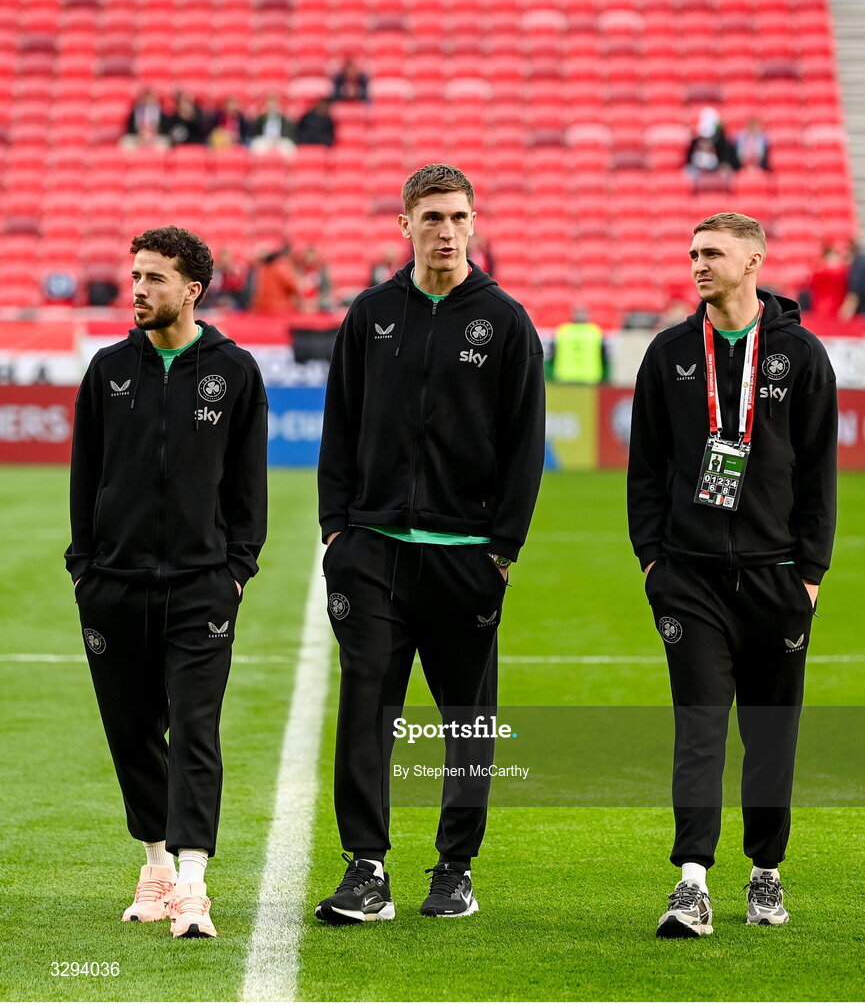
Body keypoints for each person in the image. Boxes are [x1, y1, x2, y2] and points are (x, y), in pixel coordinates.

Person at [315, 163, 545, 924]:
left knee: (467, 721)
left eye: (457, 217)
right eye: (431, 218)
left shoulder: (505, 320)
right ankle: (365, 867)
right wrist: (335, 533)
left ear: (473, 223)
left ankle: (454, 867)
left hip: (465, 554)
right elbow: (339, 428)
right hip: (373, 551)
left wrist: (500, 549)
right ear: (404, 224)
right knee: (365, 711)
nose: (445, 232)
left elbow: (522, 447)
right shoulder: (371, 313)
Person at [627, 213, 837, 939]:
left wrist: (808, 574)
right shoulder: (669, 354)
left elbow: (818, 476)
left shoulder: (801, 357)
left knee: (770, 733)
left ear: (753, 261)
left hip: (777, 579)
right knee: (699, 727)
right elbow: (645, 470)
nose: (696, 264)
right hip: (688, 578)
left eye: (711, 252)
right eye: (691, 253)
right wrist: (653, 561)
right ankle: (690, 881)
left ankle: (764, 874)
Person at [65, 226, 268, 938]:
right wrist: (83, 569)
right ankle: (154, 864)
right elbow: (85, 475)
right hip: (112, 586)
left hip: (201, 586)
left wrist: (237, 569)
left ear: (192, 290)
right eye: (136, 275)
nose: (139, 289)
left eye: (154, 278)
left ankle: (192, 884)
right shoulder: (107, 368)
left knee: (196, 730)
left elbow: (248, 485)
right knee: (131, 732)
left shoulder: (234, 372)